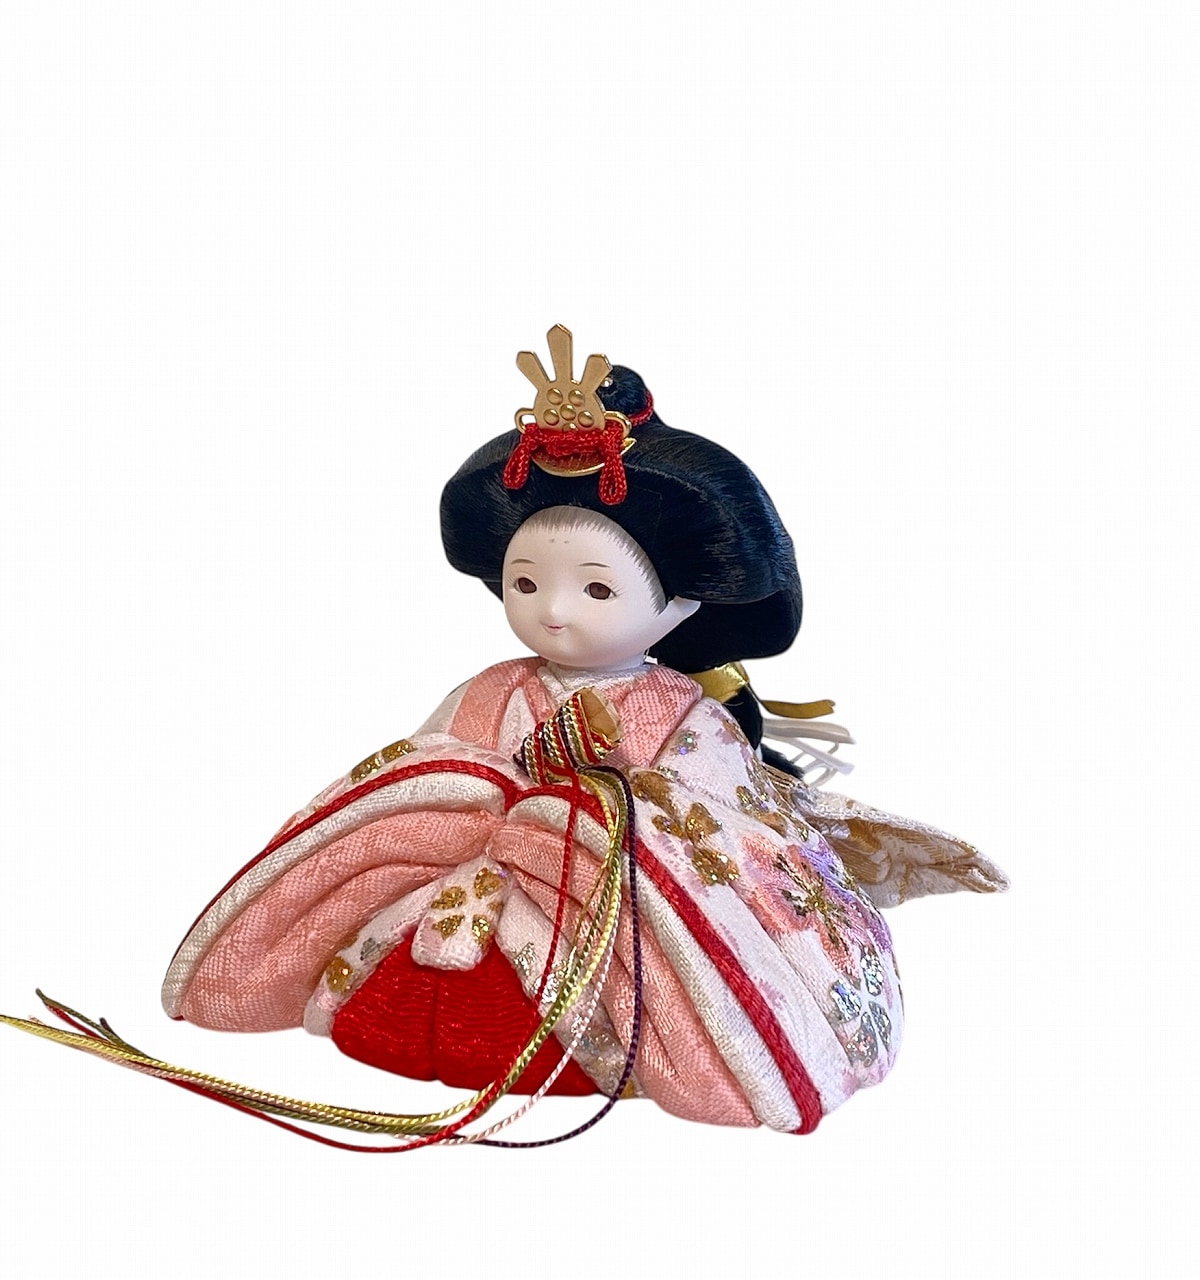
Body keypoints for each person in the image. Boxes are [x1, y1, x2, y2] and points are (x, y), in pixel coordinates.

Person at [160, 327, 1006, 1138]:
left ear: (681, 602)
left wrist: (586, 816)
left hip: (603, 912)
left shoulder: (681, 713)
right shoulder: (492, 689)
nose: (553, 611)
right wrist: (462, 797)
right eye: (526, 583)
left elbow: (716, 824)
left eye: (597, 590)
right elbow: (429, 760)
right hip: (454, 882)